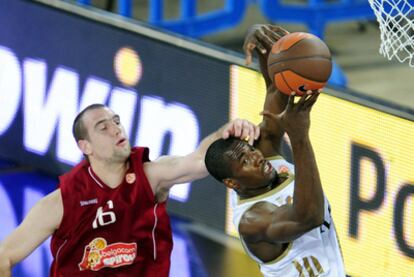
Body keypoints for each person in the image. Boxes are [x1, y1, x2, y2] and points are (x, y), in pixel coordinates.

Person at [0, 103, 260, 277]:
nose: (116, 129)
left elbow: (196, 161)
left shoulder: (151, 175)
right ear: (85, 147)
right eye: (103, 127)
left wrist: (222, 134)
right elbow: (5, 256)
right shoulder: (62, 202)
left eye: (116, 121)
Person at [205, 24, 346, 276]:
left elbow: (276, 92)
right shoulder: (253, 220)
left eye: (249, 150)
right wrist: (300, 137)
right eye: (244, 160)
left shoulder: (265, 160)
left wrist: (266, 49)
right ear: (232, 183)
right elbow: (309, 217)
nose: (256, 157)